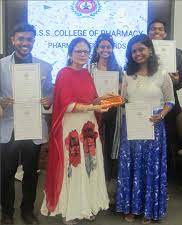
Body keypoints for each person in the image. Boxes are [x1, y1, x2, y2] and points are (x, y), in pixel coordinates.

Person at [41, 37, 109, 225]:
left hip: (89, 125)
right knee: (74, 166)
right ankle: (68, 209)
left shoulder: (87, 74)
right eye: (78, 51)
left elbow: (91, 99)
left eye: (86, 52)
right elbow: (67, 105)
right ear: (70, 53)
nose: (82, 55)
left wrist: (103, 101)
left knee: (90, 164)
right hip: (72, 127)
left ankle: (87, 206)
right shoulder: (64, 74)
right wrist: (93, 107)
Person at [116, 34, 174, 223]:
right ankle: (131, 208)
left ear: (150, 50)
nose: (138, 54)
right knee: (131, 166)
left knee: (149, 168)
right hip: (131, 127)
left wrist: (162, 115)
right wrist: (113, 96)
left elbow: (170, 101)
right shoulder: (127, 75)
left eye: (141, 49)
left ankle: (149, 209)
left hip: (153, 126)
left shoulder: (162, 74)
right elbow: (123, 101)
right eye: (133, 51)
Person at [0, 23, 53, 225]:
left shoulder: (45, 66)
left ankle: (27, 211)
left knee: (31, 172)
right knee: (6, 172)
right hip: (8, 126)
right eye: (21, 39)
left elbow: (50, 91)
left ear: (33, 41)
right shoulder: (1, 65)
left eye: (29, 39)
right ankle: (6, 212)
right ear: (13, 39)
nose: (25, 43)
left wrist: (49, 98)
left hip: (32, 126)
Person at [148, 19, 182, 171]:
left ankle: (165, 181)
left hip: (168, 106)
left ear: (165, 34)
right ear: (148, 33)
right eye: (153, 29)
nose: (156, 31)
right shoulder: (141, 51)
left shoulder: (176, 53)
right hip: (148, 103)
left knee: (168, 143)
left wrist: (176, 82)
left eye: (160, 29)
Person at [90, 33, 123, 204]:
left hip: (113, 114)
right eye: (102, 46)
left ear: (112, 49)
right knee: (94, 148)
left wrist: (118, 91)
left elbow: (122, 95)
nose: (105, 50)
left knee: (111, 150)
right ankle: (94, 189)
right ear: (97, 49)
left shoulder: (118, 68)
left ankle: (110, 189)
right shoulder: (90, 68)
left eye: (108, 47)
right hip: (95, 112)